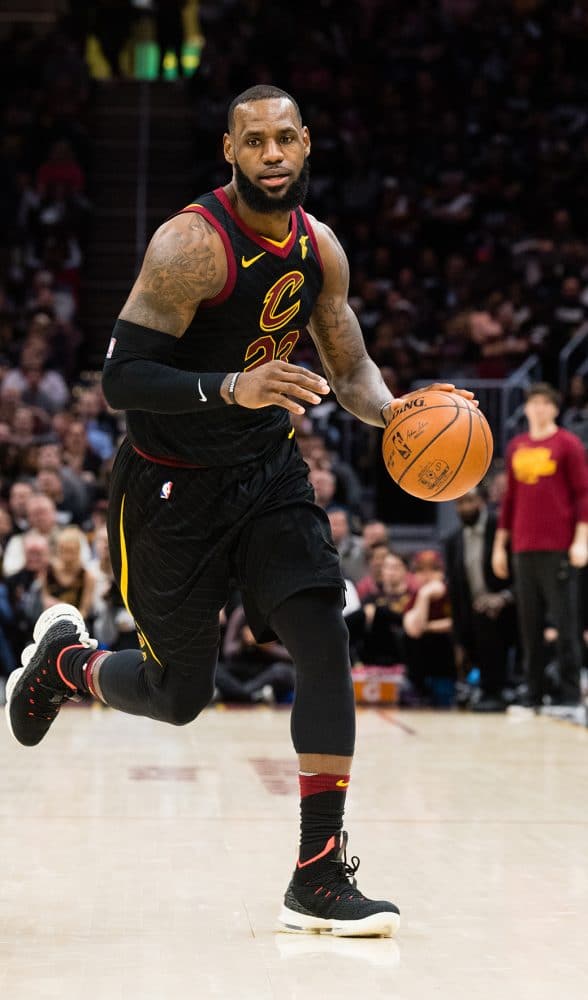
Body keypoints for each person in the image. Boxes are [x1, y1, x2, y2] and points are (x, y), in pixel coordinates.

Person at [6, 85, 476, 937]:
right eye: (253, 139)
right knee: (176, 695)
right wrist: (231, 384)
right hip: (169, 484)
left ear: (306, 145)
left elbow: (352, 365)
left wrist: (403, 412)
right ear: (230, 149)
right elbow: (120, 379)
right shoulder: (191, 245)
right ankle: (68, 662)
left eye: (285, 138)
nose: (271, 153)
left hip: (267, 473)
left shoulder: (318, 248)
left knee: (324, 634)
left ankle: (318, 875)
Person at [492, 383, 588, 710]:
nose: (539, 408)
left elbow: (583, 495)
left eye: (546, 403)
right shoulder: (517, 446)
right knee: (528, 624)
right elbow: (509, 502)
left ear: (555, 409)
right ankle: (533, 694)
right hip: (522, 546)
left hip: (559, 546)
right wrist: (499, 546)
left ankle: (570, 694)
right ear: (527, 409)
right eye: (534, 403)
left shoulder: (569, 444)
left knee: (565, 623)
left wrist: (581, 540)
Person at [444, 486, 517, 712]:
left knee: (488, 618)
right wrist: (458, 640)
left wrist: (502, 598)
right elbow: (456, 592)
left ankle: (501, 689)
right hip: (473, 614)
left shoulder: (501, 531)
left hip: (510, 606)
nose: (465, 507)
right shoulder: (453, 540)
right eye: (460, 503)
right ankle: (481, 688)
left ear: (482, 502)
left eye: (470, 501)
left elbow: (522, 577)